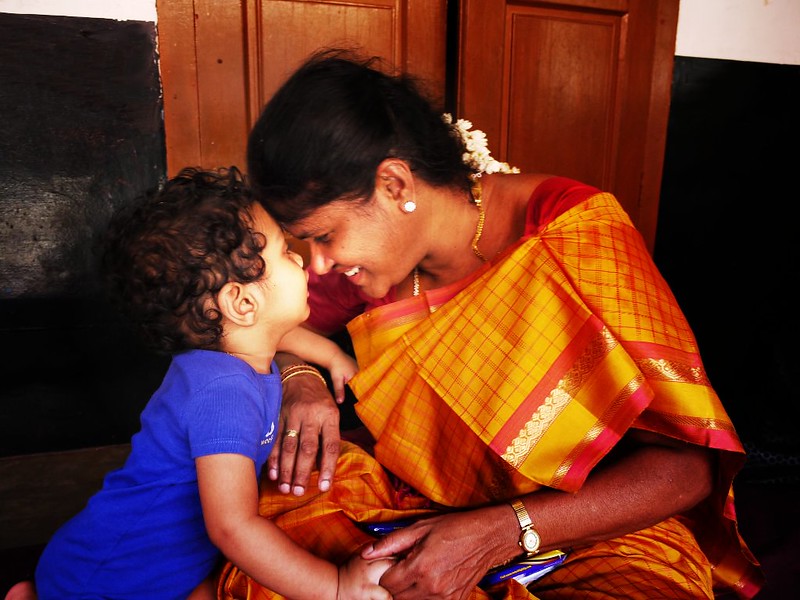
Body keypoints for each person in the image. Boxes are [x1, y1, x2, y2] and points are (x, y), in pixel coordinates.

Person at [217, 50, 765, 600]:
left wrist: (504, 531)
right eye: (302, 244)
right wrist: (301, 381)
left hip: (592, 527)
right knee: (264, 551)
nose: (316, 263)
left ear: (395, 186)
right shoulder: (363, 266)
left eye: (324, 236)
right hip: (415, 512)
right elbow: (279, 327)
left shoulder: (569, 231)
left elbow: (687, 468)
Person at [22, 167, 392, 600]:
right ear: (242, 302)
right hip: (109, 580)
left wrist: (331, 356)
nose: (302, 261)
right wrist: (335, 587)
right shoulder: (224, 395)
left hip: (162, 563)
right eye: (285, 253)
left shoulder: (231, 352)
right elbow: (233, 528)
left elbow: (280, 331)